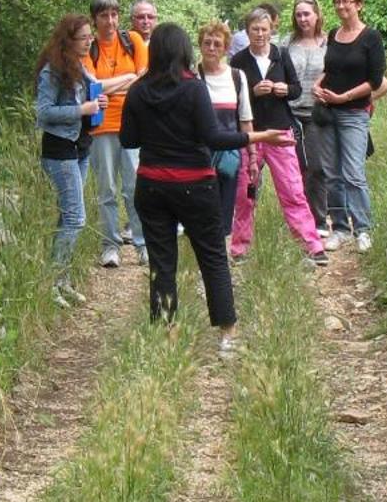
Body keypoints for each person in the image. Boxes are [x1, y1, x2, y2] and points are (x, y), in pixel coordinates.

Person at [119, 22, 291, 352]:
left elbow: (128, 139)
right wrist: (258, 136)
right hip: (195, 185)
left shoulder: (138, 90)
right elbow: (213, 137)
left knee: (162, 262)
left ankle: (166, 336)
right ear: (185, 50)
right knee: (212, 258)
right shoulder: (194, 88)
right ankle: (227, 334)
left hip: (152, 185)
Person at [229, 8, 328, 267]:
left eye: (264, 29)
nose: (260, 34)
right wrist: (253, 92)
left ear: (272, 30)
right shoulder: (238, 61)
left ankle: (312, 245)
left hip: (280, 131)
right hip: (251, 134)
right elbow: (233, 100)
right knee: (245, 193)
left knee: (293, 190)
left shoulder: (281, 54)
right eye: (255, 29)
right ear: (247, 31)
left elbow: (296, 89)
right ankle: (240, 249)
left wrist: (285, 90)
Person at [33, 15, 105, 306]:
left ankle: (61, 282)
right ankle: (52, 284)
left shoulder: (80, 67)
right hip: (60, 149)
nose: (89, 41)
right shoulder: (52, 72)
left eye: (90, 37)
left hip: (80, 147)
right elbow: (43, 112)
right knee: (75, 218)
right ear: (68, 40)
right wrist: (82, 109)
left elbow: (90, 98)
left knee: (67, 216)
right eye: (84, 37)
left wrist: (98, 104)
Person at [314, 0, 387, 252]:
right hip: (328, 114)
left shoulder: (371, 37)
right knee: (332, 173)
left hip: (354, 113)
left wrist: (344, 98)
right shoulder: (333, 34)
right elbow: (330, 68)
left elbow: (375, 81)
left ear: (359, 5)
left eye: (347, 1)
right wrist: (318, 85)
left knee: (353, 173)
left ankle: (363, 229)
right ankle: (341, 228)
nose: (342, 6)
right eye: (338, 1)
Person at [85, 0, 148, 267]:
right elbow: (92, 87)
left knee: (135, 186)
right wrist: (127, 79)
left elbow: (143, 78)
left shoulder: (132, 40)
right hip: (101, 127)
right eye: (103, 16)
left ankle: (142, 244)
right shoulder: (89, 48)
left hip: (133, 123)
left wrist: (109, 85)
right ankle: (110, 245)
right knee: (107, 189)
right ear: (94, 19)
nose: (110, 21)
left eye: (114, 14)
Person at [197, 21, 253, 240]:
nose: (211, 48)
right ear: (200, 45)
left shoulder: (237, 77)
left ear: (226, 48)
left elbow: (245, 119)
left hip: (230, 156)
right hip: (199, 155)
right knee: (201, 212)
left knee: (225, 212)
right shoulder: (192, 76)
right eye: (207, 43)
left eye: (217, 44)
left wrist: (253, 156)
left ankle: (220, 263)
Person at [284, 0, 330, 237]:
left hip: (317, 113)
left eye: (307, 14)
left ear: (317, 15)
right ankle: (298, 221)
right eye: (298, 14)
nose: (302, 19)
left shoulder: (328, 43)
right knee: (295, 169)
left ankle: (319, 221)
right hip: (289, 112)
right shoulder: (287, 44)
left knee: (317, 167)